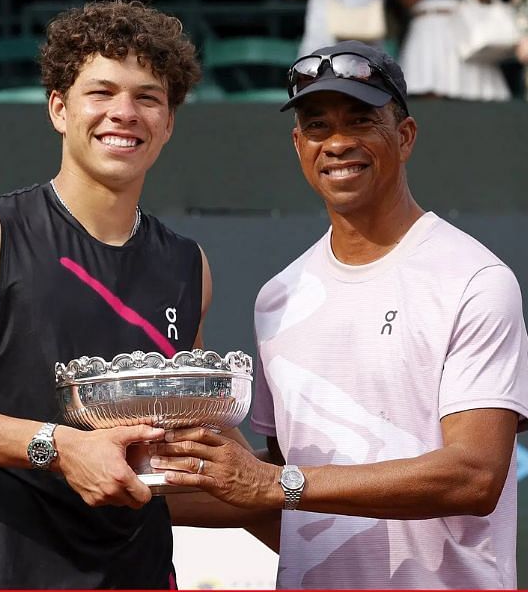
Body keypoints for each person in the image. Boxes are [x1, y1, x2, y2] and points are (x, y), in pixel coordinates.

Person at [0, 0, 269, 588]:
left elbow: (179, 459)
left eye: (148, 97)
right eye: (101, 92)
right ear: (59, 108)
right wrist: (54, 447)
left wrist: (297, 513)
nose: (124, 113)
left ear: (169, 122)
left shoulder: (189, 266)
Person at [151, 40, 528, 588]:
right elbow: (281, 494)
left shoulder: (474, 279)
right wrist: (136, 495)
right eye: (318, 126)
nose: (339, 142)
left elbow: (475, 475)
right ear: (298, 144)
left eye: (360, 120)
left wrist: (275, 485)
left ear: (405, 136)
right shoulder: (278, 297)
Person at [395, 0, 512, 100]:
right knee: (427, 96)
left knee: (476, 97)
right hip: (427, 28)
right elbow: (407, 0)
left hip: (466, 27)